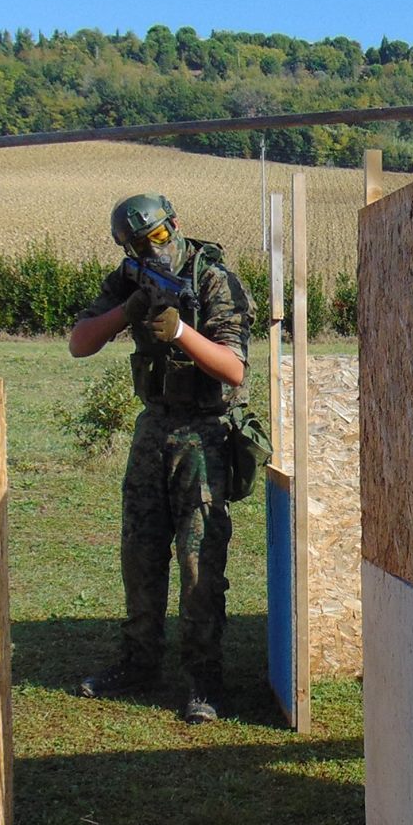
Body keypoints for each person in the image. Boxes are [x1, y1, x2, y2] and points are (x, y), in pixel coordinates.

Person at [69, 193, 253, 725]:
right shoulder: (129, 278)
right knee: (140, 554)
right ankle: (138, 661)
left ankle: (204, 679)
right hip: (154, 428)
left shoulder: (213, 278)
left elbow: (234, 369)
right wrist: (127, 311)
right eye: (140, 244)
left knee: (199, 564)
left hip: (205, 433)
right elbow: (80, 343)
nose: (155, 248)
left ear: (175, 224)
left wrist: (178, 332)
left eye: (159, 236)